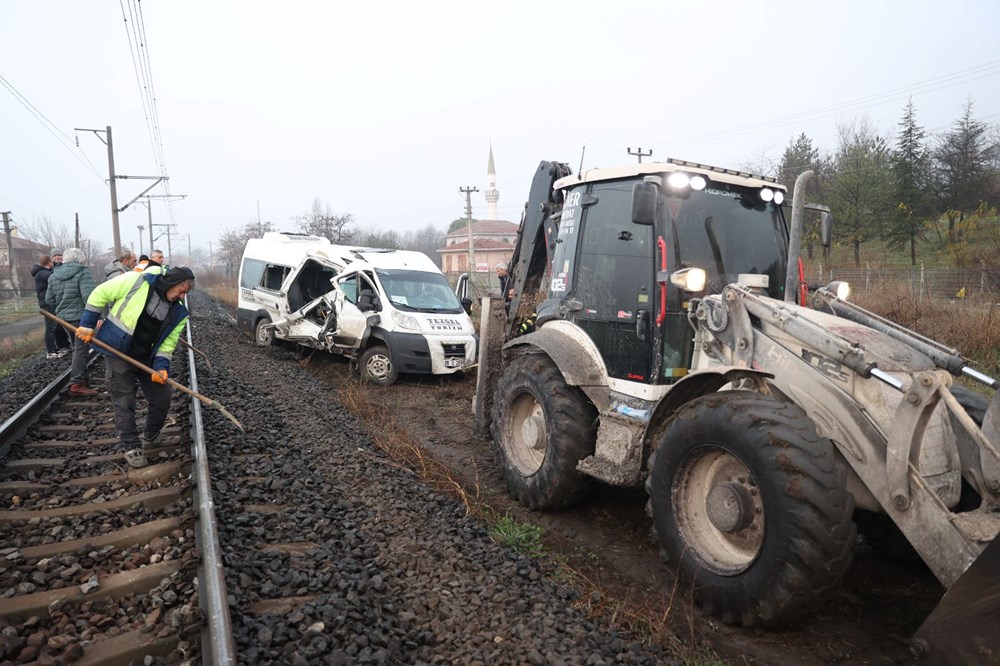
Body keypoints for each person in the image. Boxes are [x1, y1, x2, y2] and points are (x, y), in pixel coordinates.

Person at [76, 267, 194, 468]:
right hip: (117, 349)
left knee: (162, 395)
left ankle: (151, 435)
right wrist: (87, 325)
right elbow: (99, 294)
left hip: (146, 356)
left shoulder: (179, 313)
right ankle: (131, 446)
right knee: (124, 398)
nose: (182, 296)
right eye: (181, 290)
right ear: (171, 282)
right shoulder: (135, 281)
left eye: (185, 293)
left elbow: (167, 345)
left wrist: (161, 367)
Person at [45, 248, 97, 395]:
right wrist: (97, 316)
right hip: (81, 317)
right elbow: (89, 297)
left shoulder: (54, 276)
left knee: (78, 347)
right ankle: (76, 384)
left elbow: (49, 299)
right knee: (81, 349)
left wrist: (62, 307)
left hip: (64, 318)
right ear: (79, 259)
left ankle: (83, 380)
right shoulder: (82, 272)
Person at [31, 254, 70, 359]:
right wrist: (58, 266)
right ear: (49, 263)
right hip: (47, 304)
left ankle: (60, 346)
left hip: (49, 303)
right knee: (50, 327)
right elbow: (53, 275)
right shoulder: (41, 273)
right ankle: (50, 351)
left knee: (55, 326)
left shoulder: (40, 272)